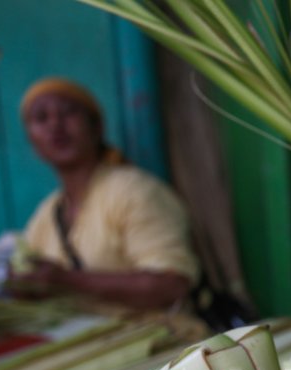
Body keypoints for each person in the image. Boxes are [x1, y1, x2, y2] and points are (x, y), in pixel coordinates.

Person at [11, 77, 202, 322]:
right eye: (41, 118)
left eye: (68, 113)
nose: (55, 125)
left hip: (160, 339)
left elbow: (173, 286)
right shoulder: (46, 215)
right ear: (32, 142)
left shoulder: (132, 190)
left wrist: (67, 281)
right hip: (92, 341)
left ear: (97, 127)